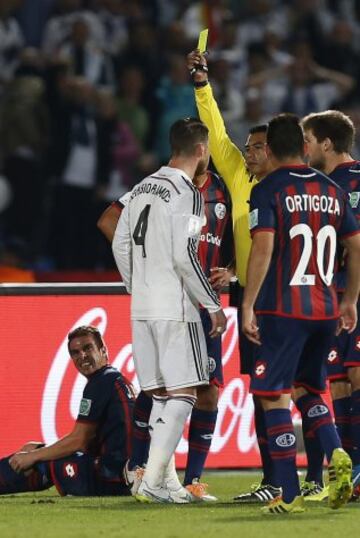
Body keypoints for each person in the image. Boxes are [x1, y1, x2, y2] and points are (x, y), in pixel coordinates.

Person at [242, 113, 360, 514]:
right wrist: (350, 300)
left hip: (282, 308)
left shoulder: (268, 188)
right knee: (308, 388)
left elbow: (263, 247)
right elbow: (356, 245)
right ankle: (336, 452)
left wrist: (247, 303)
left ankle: (289, 495)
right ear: (305, 147)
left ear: (271, 149)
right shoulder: (332, 190)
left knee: (272, 396)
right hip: (326, 309)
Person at [98, 163, 233, 501]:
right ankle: (141, 466)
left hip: (201, 304)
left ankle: (192, 481)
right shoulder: (164, 188)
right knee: (161, 387)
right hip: (171, 301)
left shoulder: (224, 192)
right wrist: (144, 270)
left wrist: (230, 271)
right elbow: (109, 221)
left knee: (207, 391)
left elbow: (240, 242)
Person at [187, 48, 281, 503]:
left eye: (256, 147)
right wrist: (203, 86)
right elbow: (218, 134)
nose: (246, 153)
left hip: (285, 296)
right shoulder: (243, 179)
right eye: (247, 147)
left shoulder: (293, 186)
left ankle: (305, 475)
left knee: (294, 388)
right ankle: (274, 479)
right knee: (263, 387)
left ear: (278, 149)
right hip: (250, 294)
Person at [1, 325, 134, 496]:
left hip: (110, 477)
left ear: (103, 350)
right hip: (123, 473)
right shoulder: (114, 379)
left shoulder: (101, 382)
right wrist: (36, 451)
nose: (82, 356)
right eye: (75, 353)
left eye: (87, 348)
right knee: (34, 450)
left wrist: (33, 456)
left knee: (40, 462)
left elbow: (78, 441)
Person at [302, 110, 360, 499]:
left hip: (354, 295)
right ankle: (351, 471)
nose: (303, 148)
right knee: (337, 382)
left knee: (356, 376)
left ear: (326, 143)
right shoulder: (318, 185)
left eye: (307, 140)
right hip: (329, 295)